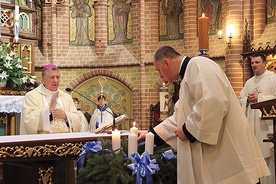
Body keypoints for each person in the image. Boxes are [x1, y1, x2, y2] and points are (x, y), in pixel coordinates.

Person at [138, 46, 270, 183]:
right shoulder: (187, 78)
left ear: (166, 62)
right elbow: (179, 117)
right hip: (218, 157)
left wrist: (187, 130)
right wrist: (151, 135)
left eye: (158, 70)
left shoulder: (199, 64)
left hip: (228, 153)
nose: (160, 75)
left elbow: (214, 100)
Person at [240, 53, 276, 184]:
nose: (254, 65)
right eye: (252, 63)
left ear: (265, 63)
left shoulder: (273, 79)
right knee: (253, 156)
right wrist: (247, 100)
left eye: (257, 62)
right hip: (252, 126)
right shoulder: (249, 82)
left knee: (268, 159)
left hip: (265, 126)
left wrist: (259, 98)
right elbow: (241, 100)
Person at [20, 64, 82, 134]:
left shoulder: (66, 97)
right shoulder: (31, 96)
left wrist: (65, 116)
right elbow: (28, 120)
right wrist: (48, 110)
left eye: (58, 77)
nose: (55, 80)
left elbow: (78, 120)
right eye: (52, 77)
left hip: (65, 141)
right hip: (43, 142)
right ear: (43, 79)